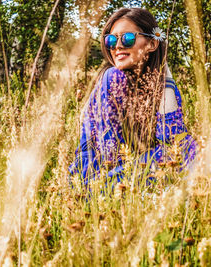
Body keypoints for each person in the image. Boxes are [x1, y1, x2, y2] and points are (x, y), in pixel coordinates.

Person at [68, 8, 197, 188]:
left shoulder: (163, 88)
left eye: (127, 38)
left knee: (189, 148)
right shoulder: (113, 78)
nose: (117, 46)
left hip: (136, 175)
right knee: (190, 152)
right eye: (111, 40)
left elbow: (173, 139)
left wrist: (164, 75)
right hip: (96, 180)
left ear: (152, 44)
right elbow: (109, 154)